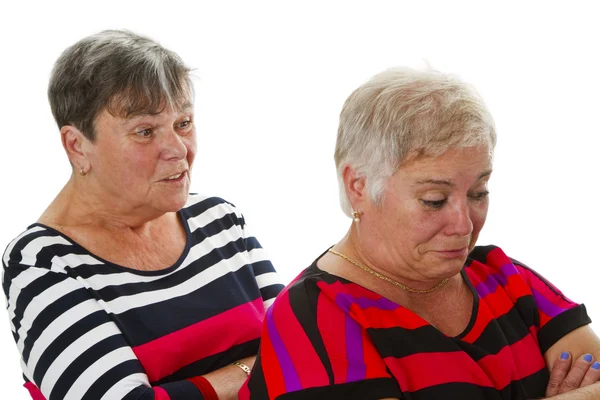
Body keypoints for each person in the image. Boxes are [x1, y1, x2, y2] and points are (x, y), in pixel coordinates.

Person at [241, 68, 600, 400]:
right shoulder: (314, 316)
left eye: (479, 192)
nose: (464, 224)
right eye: (434, 200)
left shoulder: (504, 277)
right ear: (358, 187)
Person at [2, 30, 284, 400]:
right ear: (77, 145)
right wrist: (253, 369)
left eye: (183, 123)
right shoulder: (43, 263)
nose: (178, 149)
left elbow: (308, 347)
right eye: (145, 131)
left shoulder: (218, 219)